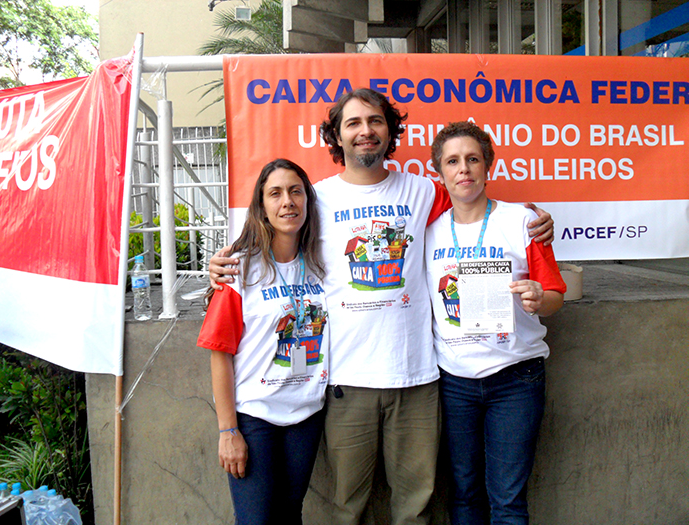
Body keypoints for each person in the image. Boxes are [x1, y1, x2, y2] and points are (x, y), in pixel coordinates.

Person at [209, 89, 555, 525]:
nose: (365, 131)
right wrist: (223, 264)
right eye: (353, 123)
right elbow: (276, 237)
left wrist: (534, 221)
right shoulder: (315, 199)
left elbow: (471, 203)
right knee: (346, 510)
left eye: (375, 121)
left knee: (415, 510)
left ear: (390, 131)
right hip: (346, 382)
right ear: (336, 136)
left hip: (418, 380)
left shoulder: (424, 191)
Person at [425, 121, 566, 524]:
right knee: (465, 493)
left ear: (488, 165)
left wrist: (539, 298)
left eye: (473, 159)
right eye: (453, 161)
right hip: (455, 381)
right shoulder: (428, 232)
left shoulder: (521, 222)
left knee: (508, 500)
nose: (463, 169)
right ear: (439, 172)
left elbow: (554, 296)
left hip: (515, 379)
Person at [197, 158, 329, 525]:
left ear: (307, 201)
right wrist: (228, 431)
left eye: (295, 191)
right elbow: (219, 353)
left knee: (290, 514)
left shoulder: (321, 264)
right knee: (256, 520)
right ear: (261, 206)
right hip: (255, 417)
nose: (287, 201)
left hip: (306, 415)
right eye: (276, 193)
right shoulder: (238, 269)